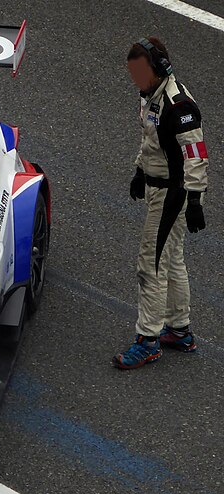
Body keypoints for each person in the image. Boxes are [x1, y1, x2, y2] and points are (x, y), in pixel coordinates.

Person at [113, 37, 208, 369]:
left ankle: (148, 339)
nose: (135, 79)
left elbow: (196, 156)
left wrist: (195, 200)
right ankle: (179, 330)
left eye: (140, 72)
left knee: (150, 264)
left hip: (173, 193)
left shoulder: (178, 105)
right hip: (157, 186)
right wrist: (140, 170)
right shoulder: (149, 95)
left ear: (159, 68)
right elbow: (150, 139)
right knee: (171, 257)